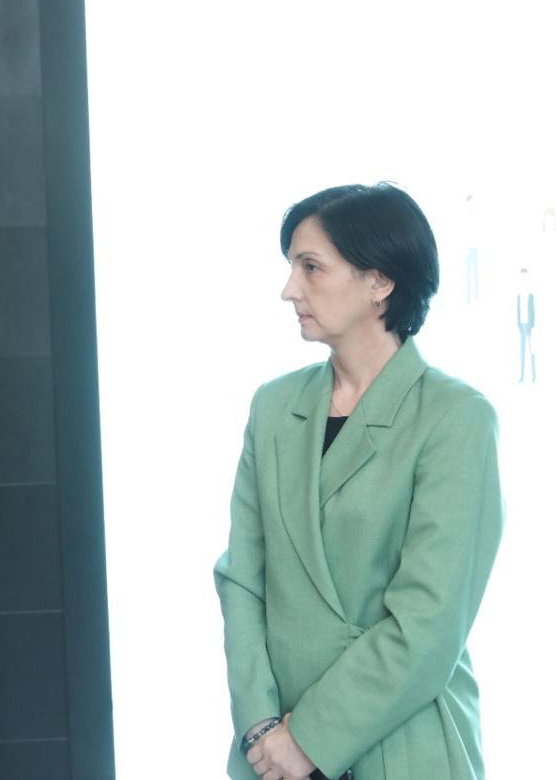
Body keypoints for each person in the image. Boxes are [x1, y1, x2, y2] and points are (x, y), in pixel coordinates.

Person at [214, 183, 503, 780]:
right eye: (291, 266)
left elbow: (428, 624)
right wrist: (262, 728)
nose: (289, 289)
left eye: (311, 267)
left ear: (380, 282)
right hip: (271, 748)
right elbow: (242, 579)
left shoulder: (455, 418)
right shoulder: (274, 407)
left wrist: (309, 738)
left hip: (400, 743)